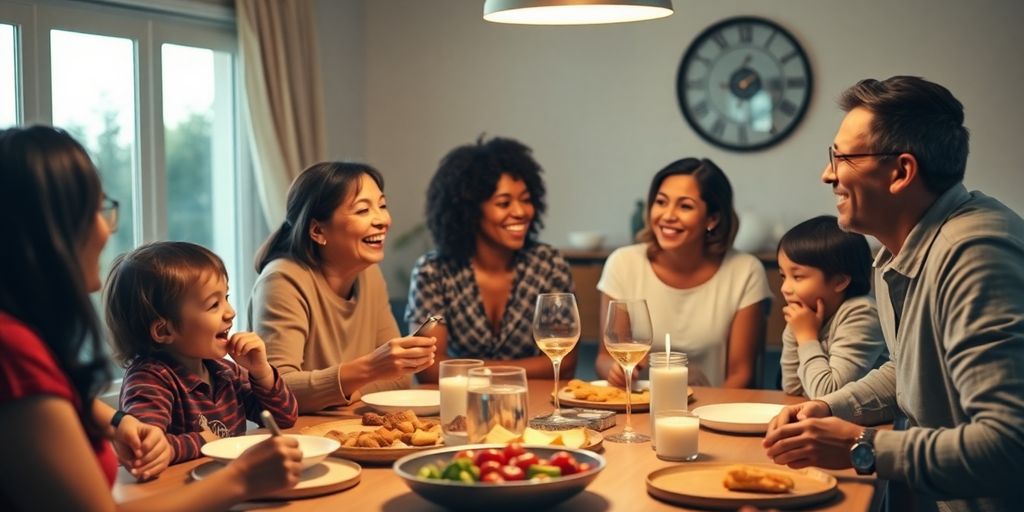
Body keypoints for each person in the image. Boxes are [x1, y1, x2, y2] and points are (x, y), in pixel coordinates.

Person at [0, 125, 301, 511]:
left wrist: (117, 422)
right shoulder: (13, 351)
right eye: (94, 209)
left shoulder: (30, 341)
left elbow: (66, 397)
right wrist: (241, 477)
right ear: (43, 231)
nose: (107, 228)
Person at [762, 76, 1024, 511]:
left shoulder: (976, 255)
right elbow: (908, 369)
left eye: (842, 157)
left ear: (901, 172)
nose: (828, 173)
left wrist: (863, 448)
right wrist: (829, 408)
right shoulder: (898, 252)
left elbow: (1010, 446)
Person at [250, 162, 436, 413]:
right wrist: (370, 370)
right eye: (362, 210)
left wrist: (346, 390)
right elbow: (278, 391)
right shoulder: (282, 280)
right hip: (299, 439)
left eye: (382, 205)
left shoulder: (368, 273)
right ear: (317, 230)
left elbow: (399, 377)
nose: (382, 220)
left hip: (352, 426)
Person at [108, 242, 298, 467]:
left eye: (226, 297)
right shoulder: (150, 379)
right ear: (164, 330)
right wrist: (204, 441)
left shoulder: (224, 371)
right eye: (213, 305)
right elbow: (145, 446)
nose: (230, 312)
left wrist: (261, 372)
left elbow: (284, 418)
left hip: (235, 484)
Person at [404, 136, 575, 382]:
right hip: (461, 408)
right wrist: (518, 370)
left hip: (536, 407)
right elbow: (428, 367)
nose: (520, 212)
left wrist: (465, 370)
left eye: (526, 200)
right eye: (504, 203)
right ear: (469, 210)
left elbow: (563, 362)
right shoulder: (434, 271)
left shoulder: (549, 264)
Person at [595, 158, 772, 388]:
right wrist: (615, 371)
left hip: (710, 411)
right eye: (661, 202)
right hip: (638, 409)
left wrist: (708, 412)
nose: (668, 215)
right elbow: (605, 358)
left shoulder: (745, 271)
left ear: (712, 219)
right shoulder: (623, 263)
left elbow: (741, 375)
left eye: (685, 206)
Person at [776, 215, 887, 399]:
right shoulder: (807, 316)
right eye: (782, 275)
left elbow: (828, 394)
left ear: (840, 281)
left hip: (867, 423)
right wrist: (795, 330)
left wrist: (806, 337)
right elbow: (792, 388)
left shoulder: (862, 313)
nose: (785, 288)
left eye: (797, 277)